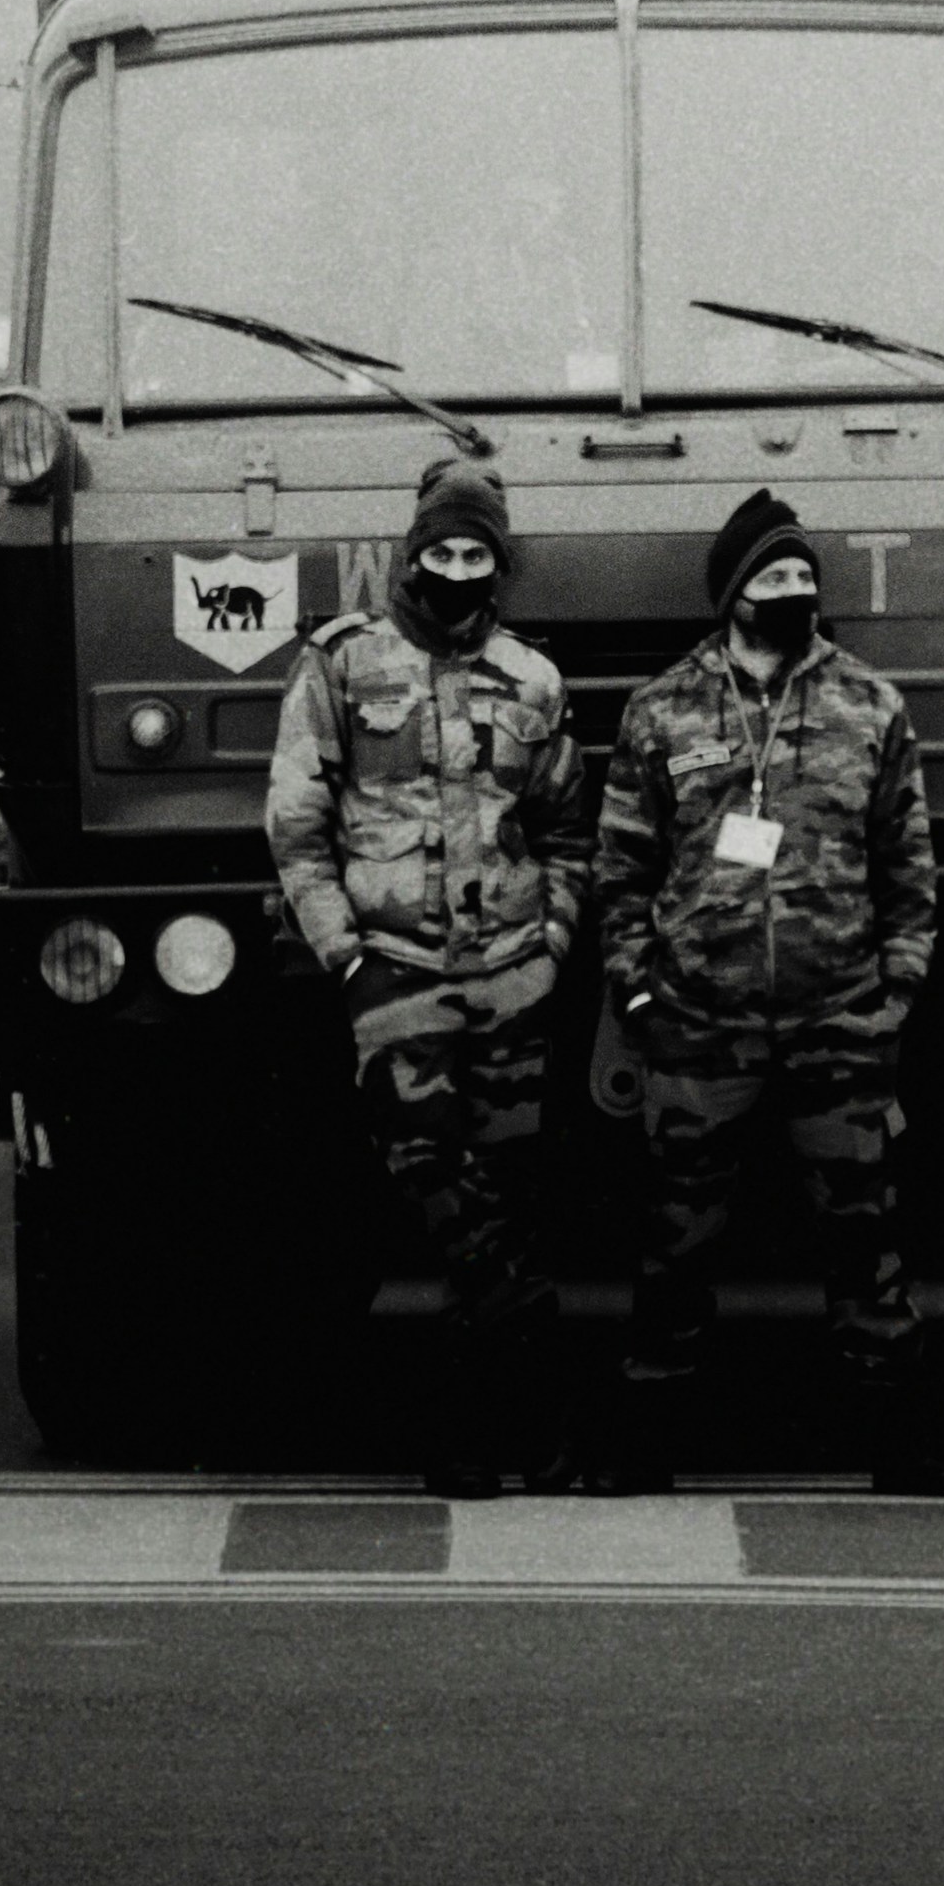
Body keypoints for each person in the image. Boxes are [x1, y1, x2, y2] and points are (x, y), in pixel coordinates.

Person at [589, 488, 944, 1497]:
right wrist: (636, 994)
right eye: (770, 577)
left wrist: (893, 994)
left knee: (864, 1237)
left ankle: (897, 1441)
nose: (790, 592)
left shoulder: (870, 706)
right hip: (697, 1024)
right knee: (677, 1240)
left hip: (836, 1019)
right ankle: (644, 1440)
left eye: (802, 576)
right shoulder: (662, 710)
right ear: (732, 594)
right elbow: (620, 870)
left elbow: (909, 870)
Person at [266, 458, 590, 1498]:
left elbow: (569, 829)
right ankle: (528, 1408)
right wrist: (345, 959)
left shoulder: (531, 680)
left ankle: (481, 1440)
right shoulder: (340, 665)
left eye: (477, 554)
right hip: (394, 982)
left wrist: (551, 945)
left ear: (498, 564)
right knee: (445, 1195)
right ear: (413, 557)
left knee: (502, 1200)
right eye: (443, 553)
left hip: (510, 983)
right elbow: (297, 831)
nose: (459, 571)